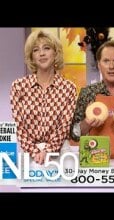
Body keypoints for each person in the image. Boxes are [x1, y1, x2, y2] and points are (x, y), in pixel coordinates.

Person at [10, 29, 77, 165]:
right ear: (32, 56)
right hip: (29, 153)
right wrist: (35, 152)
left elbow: (64, 126)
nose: (41, 53)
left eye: (46, 48)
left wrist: (48, 150)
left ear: (55, 53)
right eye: (36, 50)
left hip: (60, 152)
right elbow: (19, 126)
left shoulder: (68, 88)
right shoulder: (18, 86)